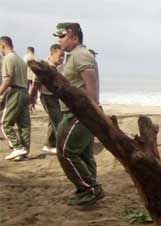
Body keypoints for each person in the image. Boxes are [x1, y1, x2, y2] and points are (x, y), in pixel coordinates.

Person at [53, 22, 104, 206]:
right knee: (83, 153)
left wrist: (90, 111)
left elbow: (91, 85)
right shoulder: (73, 56)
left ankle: (90, 189)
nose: (59, 40)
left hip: (80, 113)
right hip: (79, 112)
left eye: (62, 36)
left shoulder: (81, 55)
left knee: (66, 152)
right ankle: (88, 189)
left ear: (74, 37)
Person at [29, 44, 64, 154]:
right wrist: (31, 99)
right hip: (47, 97)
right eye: (60, 56)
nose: (62, 58)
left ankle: (49, 145)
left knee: (53, 120)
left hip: (55, 97)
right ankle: (62, 147)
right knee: (58, 122)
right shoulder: (44, 67)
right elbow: (35, 84)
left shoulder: (56, 68)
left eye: (63, 56)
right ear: (52, 54)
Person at [0, 36, 31, 161]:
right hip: (24, 92)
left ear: (2, 45)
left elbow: (8, 79)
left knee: (5, 123)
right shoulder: (20, 60)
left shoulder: (8, 58)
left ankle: (17, 148)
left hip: (15, 91)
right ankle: (24, 151)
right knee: (23, 124)